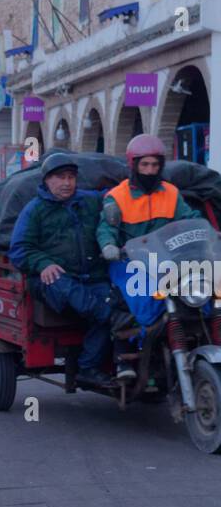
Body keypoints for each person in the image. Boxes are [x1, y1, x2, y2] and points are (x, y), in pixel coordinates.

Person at [97, 134, 198, 380]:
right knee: (137, 296)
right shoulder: (117, 196)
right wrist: (109, 245)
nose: (150, 171)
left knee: (204, 288)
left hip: (166, 259)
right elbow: (105, 228)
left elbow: (189, 218)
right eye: (145, 165)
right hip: (129, 261)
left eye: (155, 165)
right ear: (133, 165)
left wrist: (206, 230)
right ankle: (125, 352)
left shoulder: (171, 193)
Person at [9, 151, 113, 387]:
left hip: (92, 277)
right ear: (46, 180)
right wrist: (42, 263)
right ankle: (88, 367)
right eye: (60, 177)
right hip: (54, 280)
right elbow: (19, 250)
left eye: (71, 177)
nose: (66, 183)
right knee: (99, 309)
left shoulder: (89, 201)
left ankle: (100, 364)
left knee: (117, 307)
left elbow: (112, 200)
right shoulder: (34, 210)